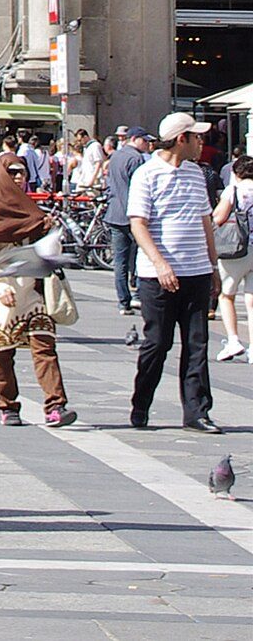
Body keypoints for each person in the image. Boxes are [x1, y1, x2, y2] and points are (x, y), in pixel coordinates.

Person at [0, 150, 76, 429]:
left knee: (44, 347)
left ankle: (56, 406)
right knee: (2, 352)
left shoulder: (32, 209)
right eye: (11, 172)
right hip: (1, 291)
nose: (17, 177)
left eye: (22, 172)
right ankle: (8, 405)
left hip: (33, 290)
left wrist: (48, 234)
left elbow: (44, 250)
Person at [129, 111, 221, 432]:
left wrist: (213, 266)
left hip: (195, 270)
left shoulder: (197, 174)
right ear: (182, 139)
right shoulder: (147, 174)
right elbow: (138, 223)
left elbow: (205, 221)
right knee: (158, 342)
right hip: (159, 276)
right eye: (197, 137)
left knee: (197, 343)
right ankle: (141, 403)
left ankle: (197, 412)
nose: (201, 143)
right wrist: (159, 263)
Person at [211, 152, 253, 360]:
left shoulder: (233, 190)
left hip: (236, 249)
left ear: (236, 173)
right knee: (252, 299)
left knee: (227, 295)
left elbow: (218, 217)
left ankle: (234, 341)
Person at [105, 127, 151, 315]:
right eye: (145, 141)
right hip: (132, 213)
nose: (148, 145)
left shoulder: (115, 156)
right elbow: (138, 187)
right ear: (135, 139)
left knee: (120, 261)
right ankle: (139, 295)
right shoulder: (136, 159)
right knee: (141, 255)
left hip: (115, 212)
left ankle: (123, 301)